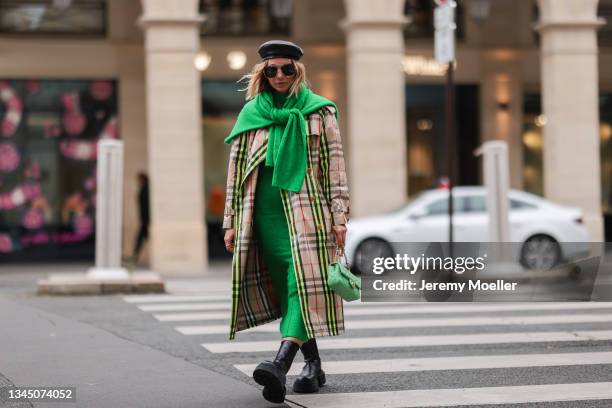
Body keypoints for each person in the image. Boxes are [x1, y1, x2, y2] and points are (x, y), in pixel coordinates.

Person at [222, 39, 350, 403]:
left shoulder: (319, 112)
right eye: (272, 69)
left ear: (298, 71)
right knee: (290, 291)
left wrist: (339, 217)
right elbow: (235, 171)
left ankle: (279, 364)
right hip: (261, 216)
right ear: (264, 72)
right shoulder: (252, 113)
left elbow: (334, 170)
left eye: (287, 68)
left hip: (308, 213)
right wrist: (230, 221)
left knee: (301, 285)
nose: (280, 75)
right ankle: (313, 367)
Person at [133, 172, 150, 263]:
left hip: (146, 220)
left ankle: (135, 256)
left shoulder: (146, 189)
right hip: (145, 220)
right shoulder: (144, 188)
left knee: (141, 238)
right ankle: (135, 255)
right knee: (142, 238)